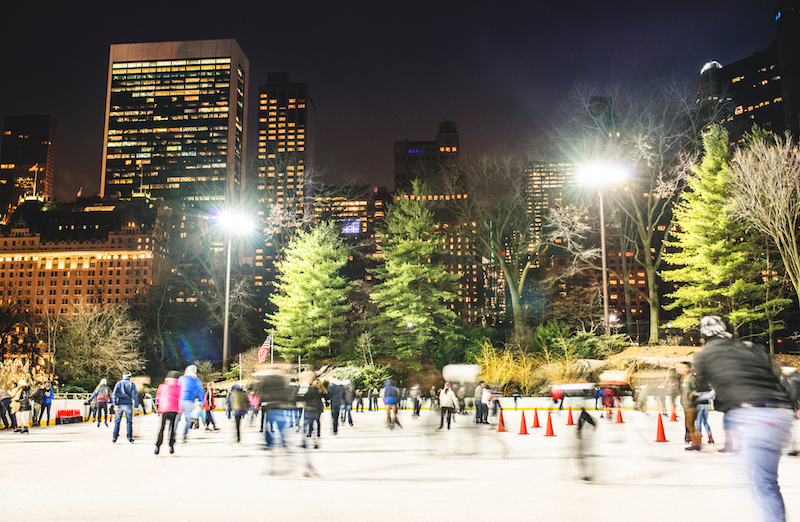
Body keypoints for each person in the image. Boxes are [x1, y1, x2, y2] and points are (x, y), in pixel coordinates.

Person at [694, 316, 795, 522]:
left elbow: (704, 385)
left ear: (704, 335)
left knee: (762, 484)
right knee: (768, 481)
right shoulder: (750, 348)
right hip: (782, 413)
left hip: (752, 416)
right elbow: (777, 378)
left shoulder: (704, 356)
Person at [154, 371, 181, 455]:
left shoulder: (162, 386)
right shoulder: (179, 387)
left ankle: (158, 446)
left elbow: (158, 398)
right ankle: (171, 446)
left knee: (162, 428)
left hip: (165, 409)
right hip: (174, 410)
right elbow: (180, 397)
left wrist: (159, 407)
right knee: (172, 428)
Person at [677, 361, 701, 450]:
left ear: (689, 368)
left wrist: (691, 395)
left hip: (691, 404)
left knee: (690, 424)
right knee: (689, 424)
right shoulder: (682, 378)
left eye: (683, 367)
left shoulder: (692, 378)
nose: (680, 369)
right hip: (686, 404)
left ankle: (696, 443)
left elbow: (696, 390)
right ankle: (695, 441)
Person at [178, 364, 205, 442]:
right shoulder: (196, 380)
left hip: (180, 400)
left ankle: (173, 433)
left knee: (177, 418)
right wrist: (202, 401)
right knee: (188, 418)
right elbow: (201, 391)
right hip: (189, 400)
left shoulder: (181, 378)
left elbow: (177, 387)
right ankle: (184, 436)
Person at [112, 372, 138, 443]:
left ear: (123, 376)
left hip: (119, 404)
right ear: (130, 377)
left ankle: (115, 437)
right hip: (128, 404)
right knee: (129, 421)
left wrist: (115, 404)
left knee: (117, 421)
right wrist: (136, 406)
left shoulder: (119, 383)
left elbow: (114, 394)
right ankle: (129, 437)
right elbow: (135, 395)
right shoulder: (132, 384)